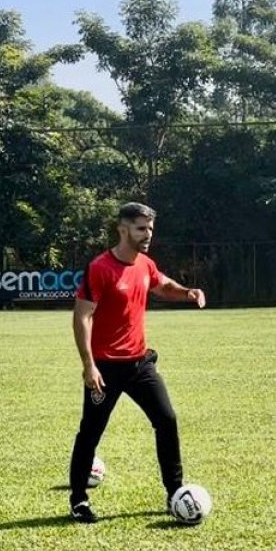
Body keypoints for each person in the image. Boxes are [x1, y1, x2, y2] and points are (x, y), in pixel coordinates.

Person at [67, 202, 206, 524]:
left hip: (140, 364)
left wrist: (187, 293)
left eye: (151, 229)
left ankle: (175, 491)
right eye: (141, 228)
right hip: (105, 368)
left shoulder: (145, 264)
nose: (147, 235)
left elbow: (163, 285)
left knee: (166, 420)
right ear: (123, 229)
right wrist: (89, 365)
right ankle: (79, 500)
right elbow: (82, 316)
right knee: (90, 431)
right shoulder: (100, 268)